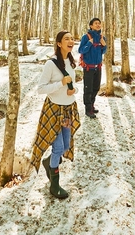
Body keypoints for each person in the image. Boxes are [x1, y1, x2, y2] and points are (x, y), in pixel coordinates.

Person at [30, 30, 81, 199]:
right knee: (58, 147)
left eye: (72, 38)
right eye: (66, 38)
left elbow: (72, 85)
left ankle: (48, 163)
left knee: (65, 146)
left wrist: (74, 90)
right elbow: (41, 88)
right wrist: (60, 84)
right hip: (53, 112)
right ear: (59, 43)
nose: (70, 41)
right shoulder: (50, 64)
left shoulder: (71, 62)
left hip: (67, 111)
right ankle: (54, 185)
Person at [78, 17, 107, 118]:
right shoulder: (86, 37)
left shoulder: (102, 37)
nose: (98, 25)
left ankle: (92, 105)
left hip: (98, 67)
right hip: (88, 68)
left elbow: (103, 52)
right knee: (88, 89)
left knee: (96, 88)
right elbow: (81, 50)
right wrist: (89, 43)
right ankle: (88, 109)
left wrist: (104, 46)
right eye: (96, 23)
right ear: (91, 26)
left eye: (99, 23)